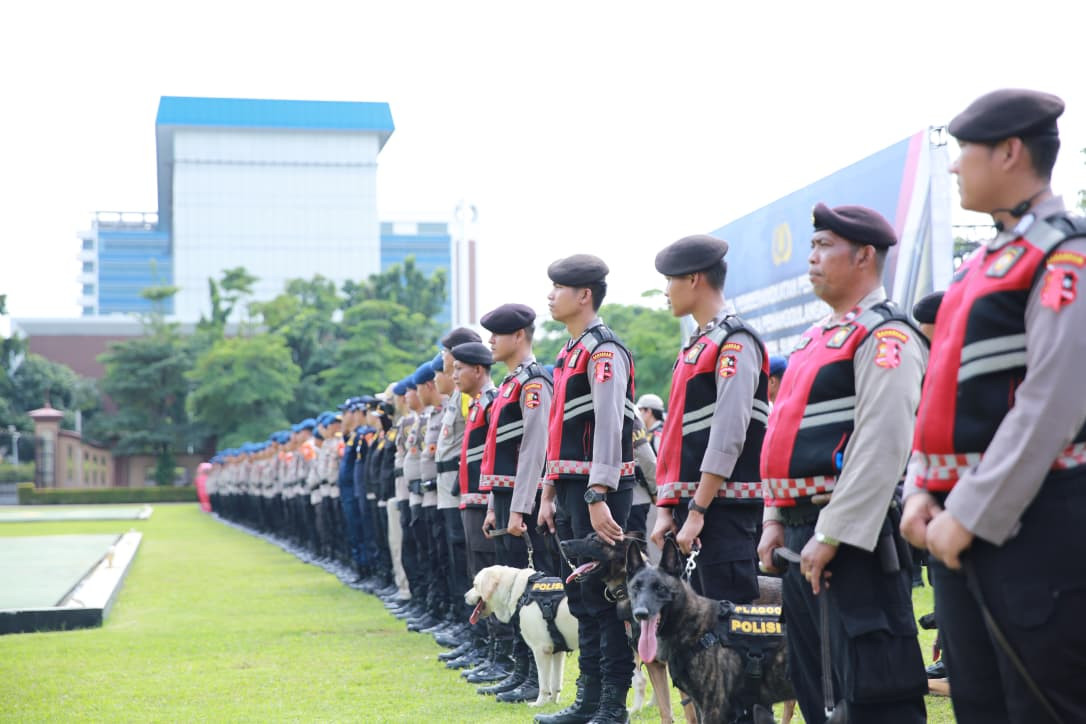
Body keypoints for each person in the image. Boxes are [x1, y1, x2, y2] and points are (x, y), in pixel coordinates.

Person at [900, 88, 1086, 724]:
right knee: (980, 705)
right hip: (957, 527)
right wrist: (923, 490)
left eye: (964, 152)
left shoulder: (1065, 251)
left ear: (1010, 152)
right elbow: (942, 395)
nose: (953, 167)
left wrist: (969, 511)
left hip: (1034, 524)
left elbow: (1054, 401)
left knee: (1040, 706)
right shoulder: (982, 264)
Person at [757, 203, 929, 723]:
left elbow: (883, 442)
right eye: (811, 246)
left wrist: (831, 534)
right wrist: (772, 519)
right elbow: (781, 436)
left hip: (852, 540)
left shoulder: (885, 334)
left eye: (824, 246)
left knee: (874, 692)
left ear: (864, 255)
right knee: (817, 688)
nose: (811, 257)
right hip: (798, 533)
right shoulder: (816, 337)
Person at [536, 254, 635, 724]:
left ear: (585, 295)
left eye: (558, 287)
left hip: (603, 490)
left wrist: (598, 494)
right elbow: (560, 429)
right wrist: (550, 491)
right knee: (582, 597)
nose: (550, 296)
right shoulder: (570, 352)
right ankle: (588, 699)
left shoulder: (603, 350)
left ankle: (612, 705)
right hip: (575, 488)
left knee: (609, 595)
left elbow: (612, 424)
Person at [651, 234, 769, 605]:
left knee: (729, 628)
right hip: (695, 509)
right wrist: (669, 507)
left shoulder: (734, 341)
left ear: (694, 279)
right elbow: (675, 440)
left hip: (723, 509)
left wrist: (698, 510)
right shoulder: (697, 347)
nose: (666, 290)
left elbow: (728, 434)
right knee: (700, 636)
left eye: (670, 280)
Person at [477, 302, 555, 703]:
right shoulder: (510, 384)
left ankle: (537, 679)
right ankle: (520, 669)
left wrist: (521, 506)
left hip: (525, 500)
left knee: (531, 591)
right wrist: (495, 503)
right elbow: (497, 451)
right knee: (512, 591)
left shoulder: (534, 382)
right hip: (507, 499)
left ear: (520, 335)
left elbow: (534, 448)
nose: (491, 340)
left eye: (498, 333)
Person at [450, 341, 511, 685]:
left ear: (478, 370)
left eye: (459, 368)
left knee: (490, 578)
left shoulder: (491, 403)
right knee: (477, 574)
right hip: (471, 501)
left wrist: (489, 499)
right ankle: (486, 646)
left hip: (484, 501)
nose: (454, 375)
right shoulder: (476, 406)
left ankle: (502, 654)